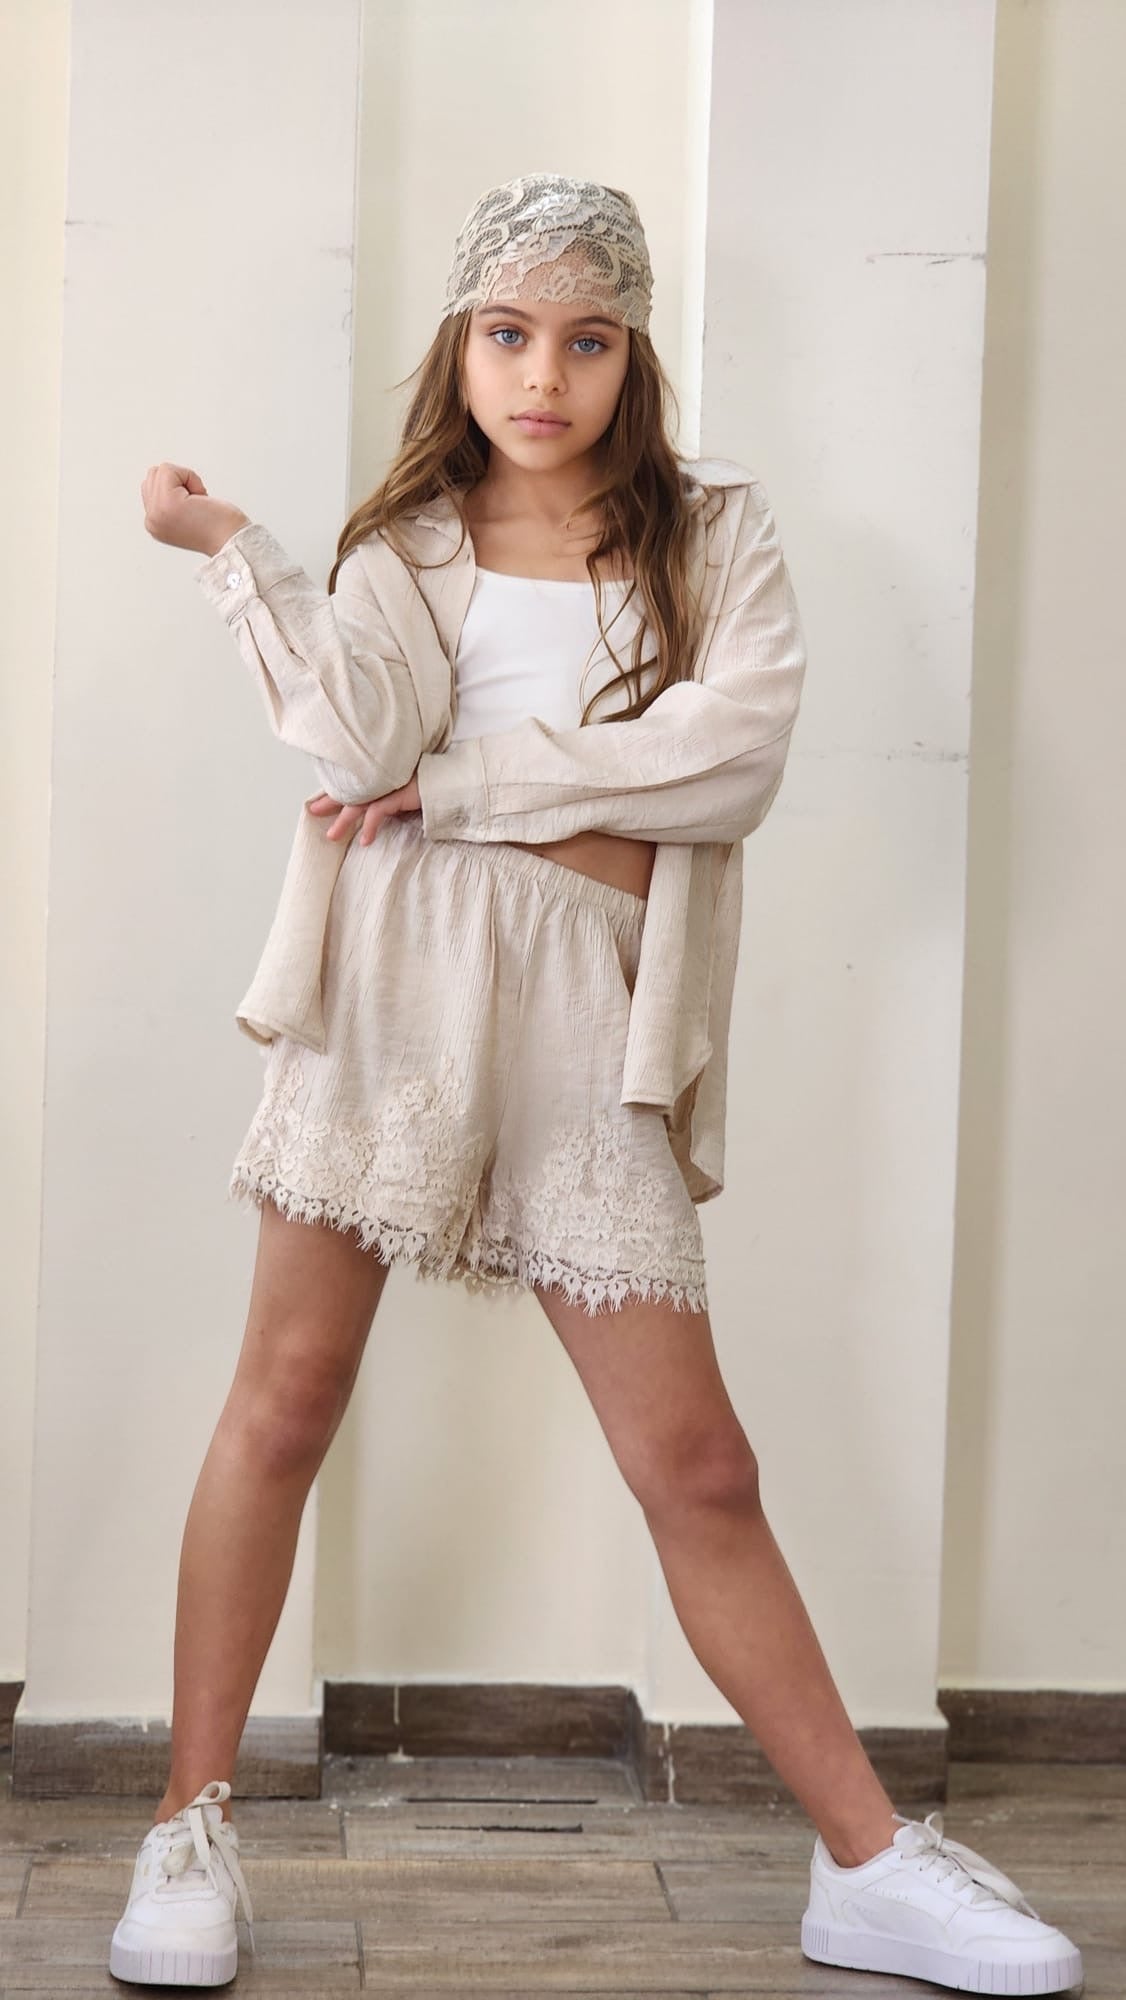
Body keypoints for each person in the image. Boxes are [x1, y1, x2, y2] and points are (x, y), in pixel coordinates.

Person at [111, 174, 1082, 1994]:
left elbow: (730, 759)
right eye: (507, 333)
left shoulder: (715, 532)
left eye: (585, 339)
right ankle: (190, 1828)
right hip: (392, 983)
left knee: (694, 1460)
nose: (541, 376)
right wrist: (239, 548)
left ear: (633, 354)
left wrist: (467, 786)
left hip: (587, 1011)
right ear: (459, 343)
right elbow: (352, 740)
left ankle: (868, 1865)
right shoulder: (404, 545)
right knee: (287, 1399)